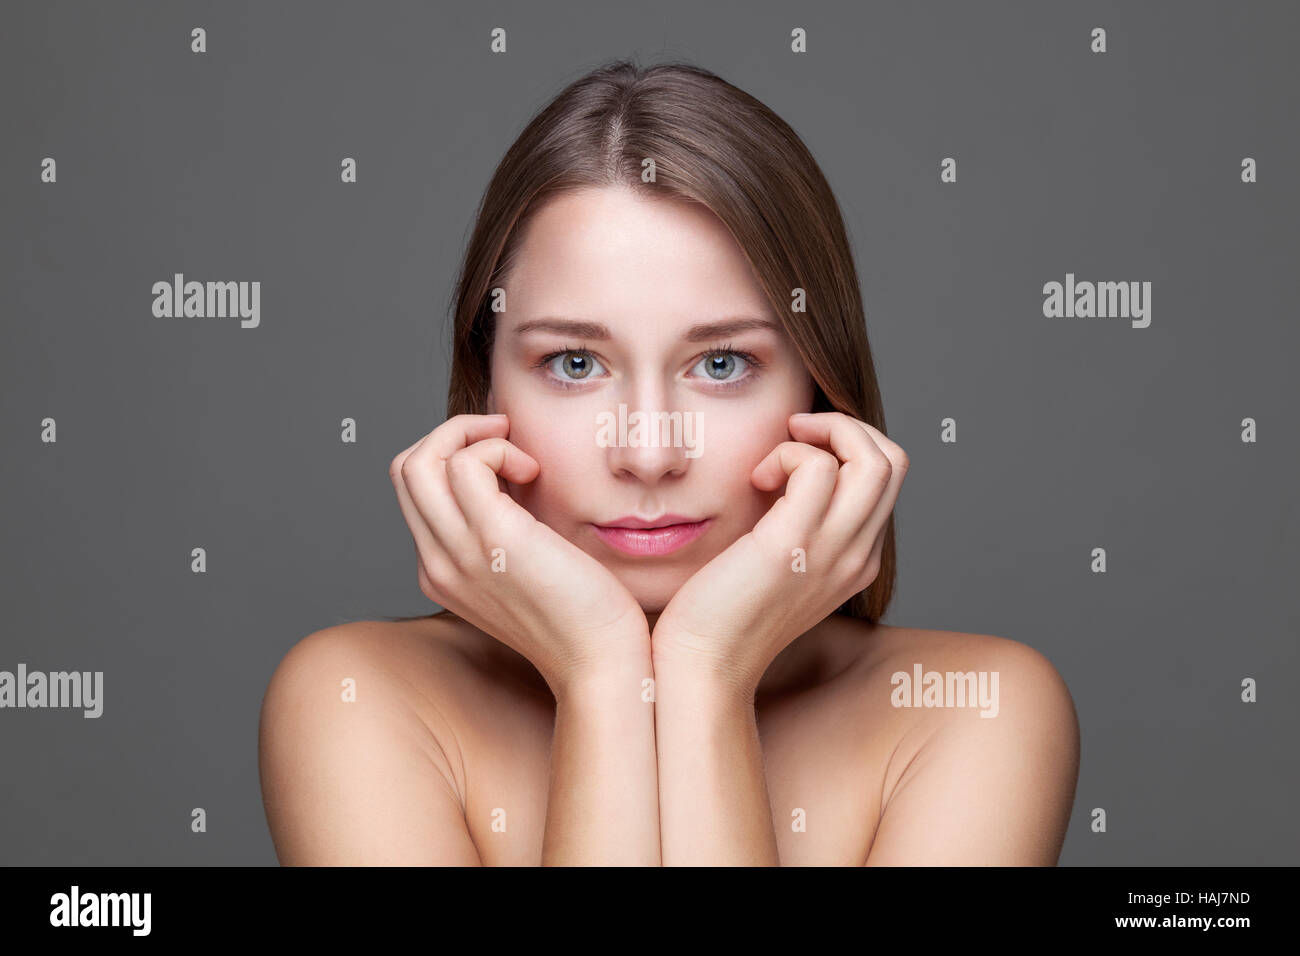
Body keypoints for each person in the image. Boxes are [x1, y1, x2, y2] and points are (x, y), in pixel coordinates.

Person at [258, 59, 1080, 865]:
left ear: (822, 394)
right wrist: (600, 672)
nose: (649, 453)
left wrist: (702, 676)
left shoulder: (974, 711)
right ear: (485, 391)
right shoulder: (357, 697)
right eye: (574, 364)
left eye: (721, 364)